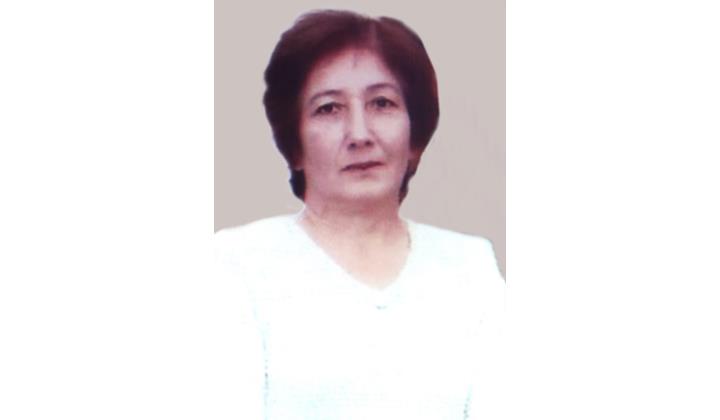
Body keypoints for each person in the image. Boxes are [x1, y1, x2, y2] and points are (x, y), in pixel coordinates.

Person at [215, 9, 505, 420]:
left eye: (382, 104)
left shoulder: (471, 265)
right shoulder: (236, 262)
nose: (359, 134)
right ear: (294, 145)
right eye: (329, 109)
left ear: (415, 135)